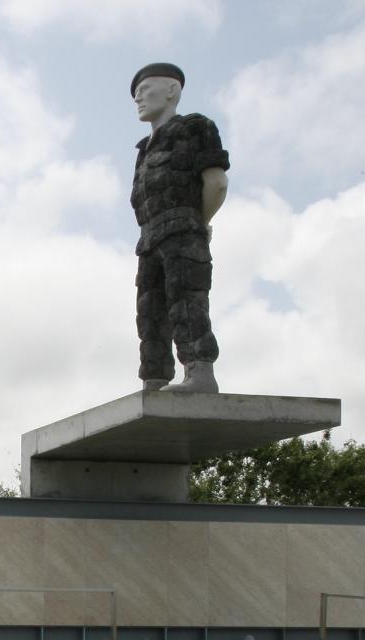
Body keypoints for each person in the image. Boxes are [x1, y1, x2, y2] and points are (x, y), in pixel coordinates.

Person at [130, 62, 229, 393]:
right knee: (150, 313)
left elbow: (216, 183)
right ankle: (154, 379)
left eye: (145, 90)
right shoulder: (143, 151)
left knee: (186, 301)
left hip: (182, 230)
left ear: (172, 90)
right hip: (148, 240)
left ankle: (199, 373)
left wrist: (199, 224)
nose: (138, 99)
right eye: (136, 94)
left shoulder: (195, 127)